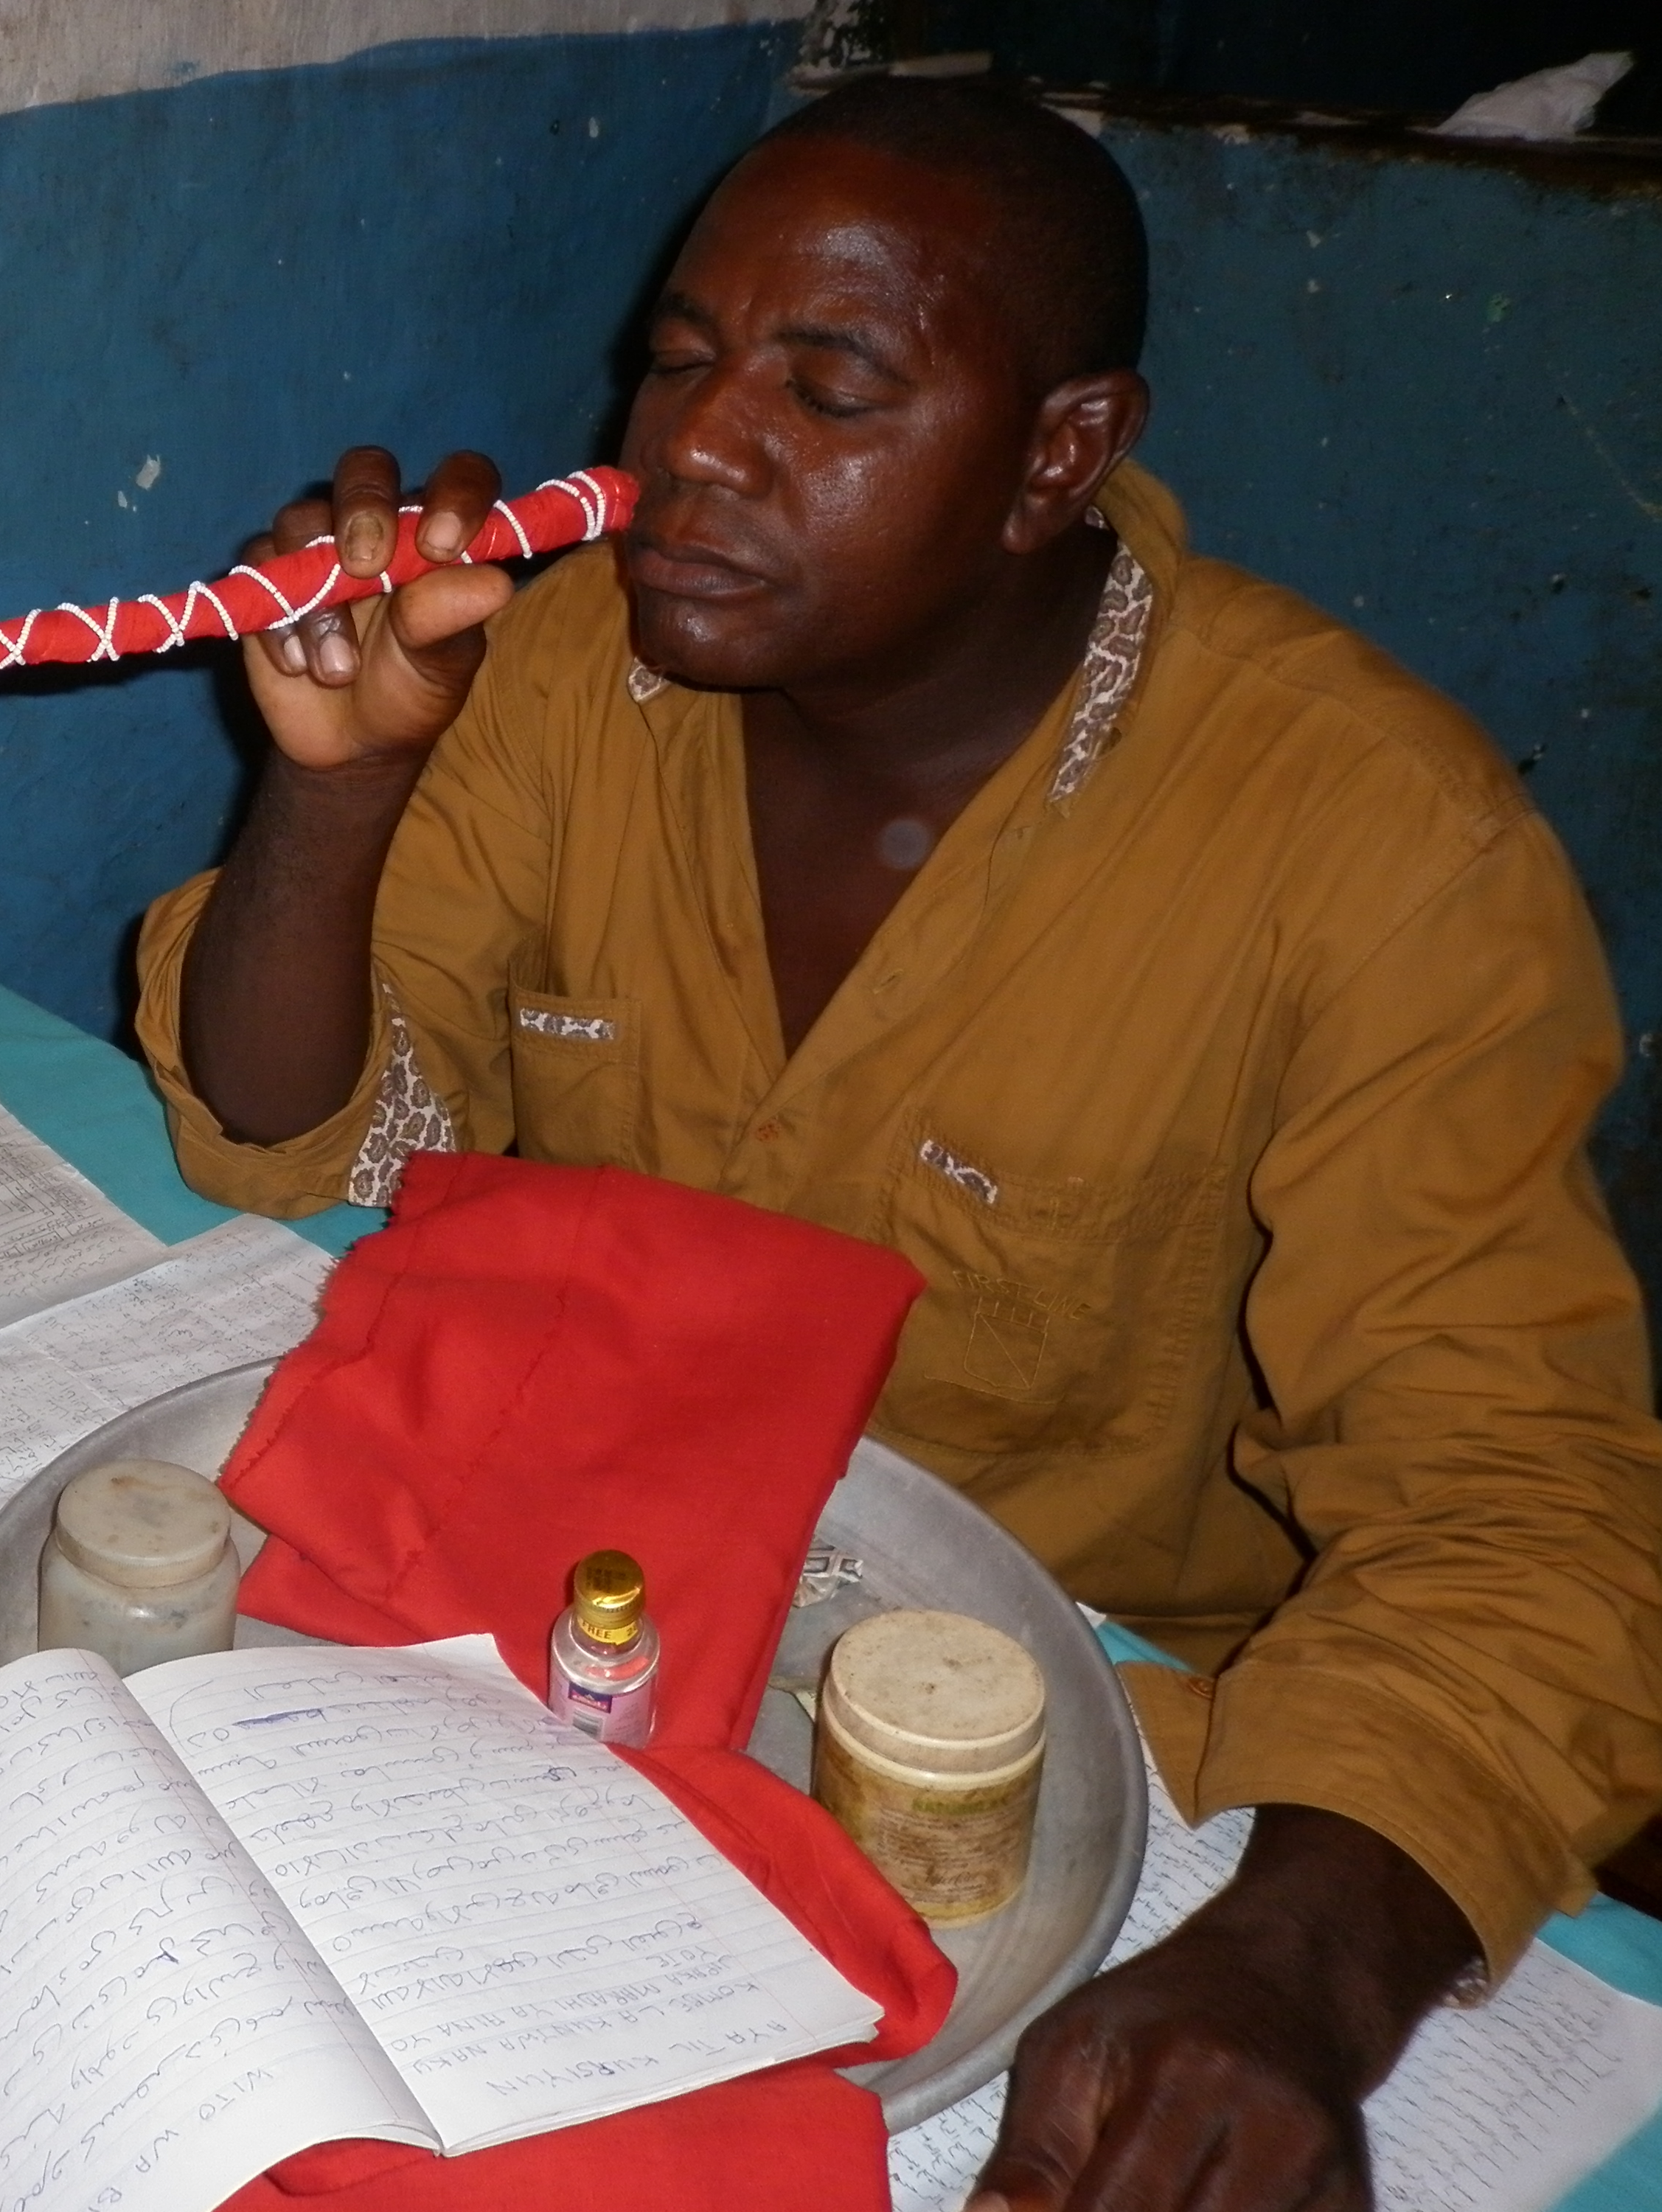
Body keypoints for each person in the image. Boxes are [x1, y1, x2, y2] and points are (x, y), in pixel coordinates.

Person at [133, 76, 1662, 2212]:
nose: (697, 451)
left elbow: (1523, 1512)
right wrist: (332, 790)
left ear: (1059, 456)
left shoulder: (1378, 850)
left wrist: (1298, 1977)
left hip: (1076, 1739)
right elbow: (302, 1137)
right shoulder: (569, 673)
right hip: (588, 1615)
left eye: (828, 385)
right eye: (678, 362)